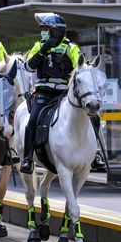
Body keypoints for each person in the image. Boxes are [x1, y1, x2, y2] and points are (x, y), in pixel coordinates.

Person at [19, 13, 80, 174]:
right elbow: (28, 68)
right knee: (32, 121)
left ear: (56, 31)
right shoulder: (39, 46)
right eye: (43, 30)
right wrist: (41, 52)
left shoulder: (71, 48)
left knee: (89, 116)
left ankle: (96, 155)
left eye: (46, 29)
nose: (43, 33)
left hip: (64, 95)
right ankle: (27, 159)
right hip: (44, 93)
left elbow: (79, 67)